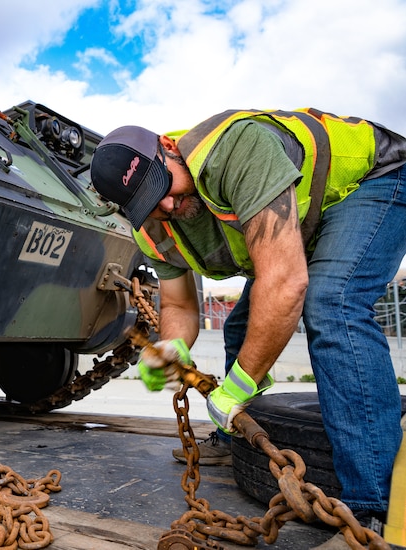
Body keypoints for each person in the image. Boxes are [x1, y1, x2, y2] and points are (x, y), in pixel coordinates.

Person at [89, 109, 406, 526]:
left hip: (373, 179)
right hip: (306, 219)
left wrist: (237, 385)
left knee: (334, 303)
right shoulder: (152, 228)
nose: (166, 204)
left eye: (161, 185)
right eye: (149, 203)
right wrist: (172, 347)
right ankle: (235, 433)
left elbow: (286, 283)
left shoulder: (236, 151)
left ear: (168, 148)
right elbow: (180, 306)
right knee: (243, 326)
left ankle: (375, 505)